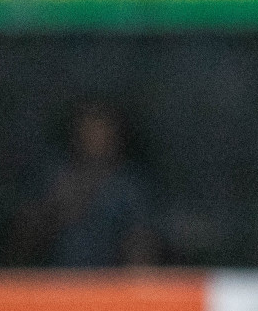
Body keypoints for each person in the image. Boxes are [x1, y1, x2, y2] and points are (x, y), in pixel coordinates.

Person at [10, 101, 159, 267]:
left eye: (102, 130)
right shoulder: (53, 177)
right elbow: (20, 248)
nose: (95, 138)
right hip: (53, 285)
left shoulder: (129, 187)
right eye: (88, 129)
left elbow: (142, 248)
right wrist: (54, 210)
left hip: (110, 287)